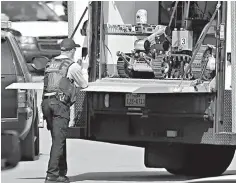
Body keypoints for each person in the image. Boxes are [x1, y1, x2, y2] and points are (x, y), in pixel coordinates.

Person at [41, 38, 88, 183]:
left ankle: (61, 172)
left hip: (46, 103)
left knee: (58, 138)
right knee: (58, 140)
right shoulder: (72, 66)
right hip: (59, 105)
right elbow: (84, 84)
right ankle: (52, 175)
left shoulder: (50, 63)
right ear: (72, 51)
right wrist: (83, 68)